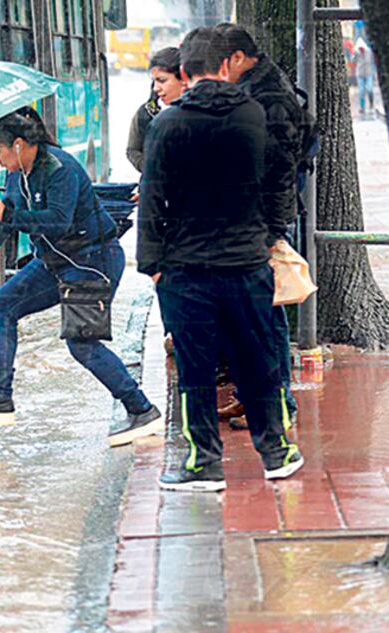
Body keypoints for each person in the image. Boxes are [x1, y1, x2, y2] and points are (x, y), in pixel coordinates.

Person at [138, 27, 303, 492]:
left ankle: (202, 463)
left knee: (196, 369)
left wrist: (152, 263)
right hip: (248, 264)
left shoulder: (167, 124)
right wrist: (266, 238)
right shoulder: (254, 115)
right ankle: (278, 452)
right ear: (225, 67)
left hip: (186, 270)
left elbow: (152, 199)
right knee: (257, 360)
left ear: (186, 73)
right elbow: (278, 183)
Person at [0, 106, 161, 446]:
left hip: (93, 260)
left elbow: (57, 221)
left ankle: (140, 409)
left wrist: (8, 213)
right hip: (53, 262)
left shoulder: (60, 167)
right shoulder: (15, 171)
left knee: (82, 345)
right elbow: (4, 220)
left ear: (19, 144)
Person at [215, 24, 307, 428]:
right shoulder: (256, 87)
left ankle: (278, 404)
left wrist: (271, 233)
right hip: (251, 221)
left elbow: (279, 172)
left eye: (219, 65)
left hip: (260, 225)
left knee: (264, 319)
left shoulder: (268, 98)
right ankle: (254, 396)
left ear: (237, 58)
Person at [126, 47, 185, 173]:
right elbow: (133, 150)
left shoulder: (201, 115)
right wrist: (152, 169)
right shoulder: (147, 113)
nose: (156, 88)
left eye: (162, 80)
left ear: (183, 78)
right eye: (154, 81)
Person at [354, 40, 375, 115]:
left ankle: (371, 104)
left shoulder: (369, 52)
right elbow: (353, 60)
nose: (361, 50)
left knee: (369, 89)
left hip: (368, 73)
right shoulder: (357, 53)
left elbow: (373, 61)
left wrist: (374, 72)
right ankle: (362, 108)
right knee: (361, 91)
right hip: (360, 74)